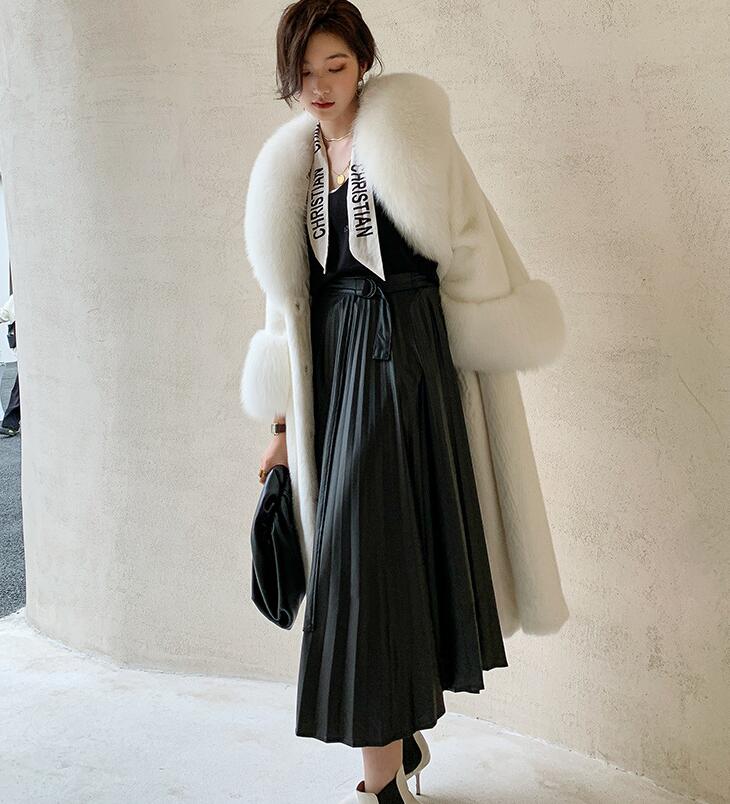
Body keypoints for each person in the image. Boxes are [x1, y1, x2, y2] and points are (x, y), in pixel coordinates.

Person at [240, 2, 569, 801]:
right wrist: (282, 425)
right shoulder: (291, 164)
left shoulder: (409, 134)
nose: (321, 86)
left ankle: (380, 781)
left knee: (371, 558)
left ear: (363, 62)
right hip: (333, 368)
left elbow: (473, 244)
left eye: (337, 66)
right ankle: (397, 745)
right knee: (369, 560)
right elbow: (287, 306)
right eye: (305, 72)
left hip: (404, 359)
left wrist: (473, 348)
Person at [0, 292, 19, 437]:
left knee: (19, 388)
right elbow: (4, 314)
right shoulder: (16, 297)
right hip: (26, 351)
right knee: (19, 388)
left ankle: (10, 424)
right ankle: (10, 424)